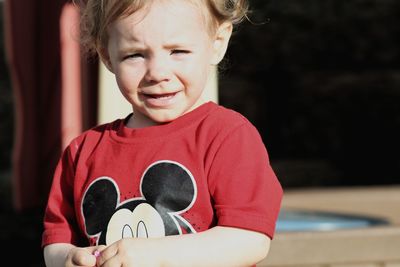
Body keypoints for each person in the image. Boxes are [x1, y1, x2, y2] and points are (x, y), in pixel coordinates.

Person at [42, 0, 283, 266]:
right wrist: (68, 258)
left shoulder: (227, 137)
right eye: (134, 55)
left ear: (217, 43)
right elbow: (57, 241)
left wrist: (156, 255)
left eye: (178, 51)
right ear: (107, 55)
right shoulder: (82, 152)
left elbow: (250, 239)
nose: (157, 73)